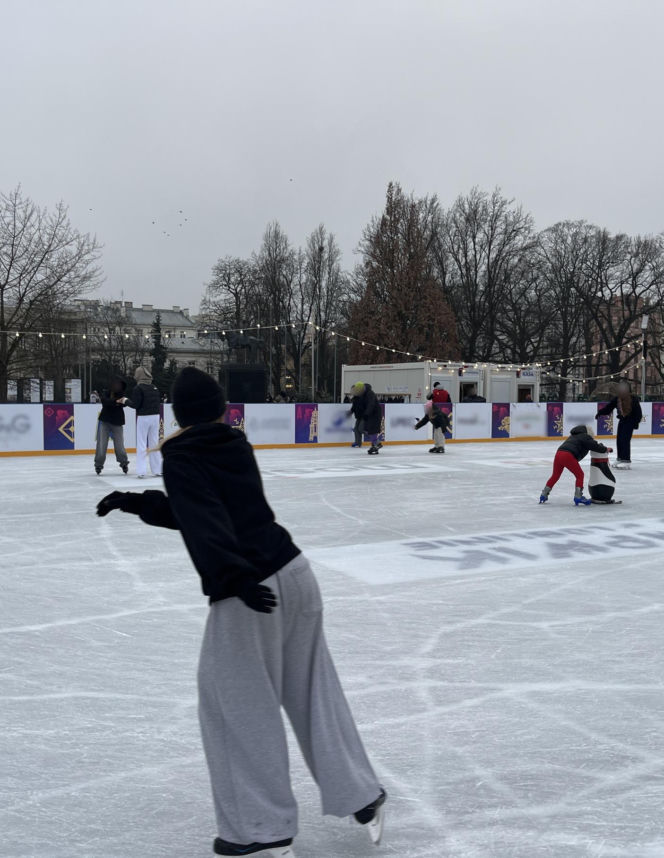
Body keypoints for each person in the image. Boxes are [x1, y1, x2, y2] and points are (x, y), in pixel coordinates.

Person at [96, 367, 386, 858]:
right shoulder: (234, 444)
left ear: (177, 415)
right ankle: (362, 795)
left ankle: (260, 831)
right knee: (313, 691)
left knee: (235, 707)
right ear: (221, 408)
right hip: (294, 574)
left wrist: (233, 580)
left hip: (249, 589)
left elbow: (206, 522)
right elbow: (205, 507)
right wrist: (139, 503)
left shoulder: (181, 454)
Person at [540, 424, 612, 506]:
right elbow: (594, 446)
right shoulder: (585, 436)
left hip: (559, 454)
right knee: (580, 475)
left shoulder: (573, 436)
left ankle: (544, 494)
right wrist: (605, 449)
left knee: (555, 475)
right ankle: (578, 497)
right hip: (568, 455)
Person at [124, 367, 162, 478]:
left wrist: (125, 401)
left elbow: (135, 405)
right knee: (154, 443)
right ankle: (157, 469)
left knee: (141, 444)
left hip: (144, 417)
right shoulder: (154, 387)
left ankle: (141, 471)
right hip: (155, 417)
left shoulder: (138, 388)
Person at [595, 380, 643, 468]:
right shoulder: (617, 399)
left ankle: (626, 460)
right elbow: (609, 408)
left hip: (630, 421)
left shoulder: (633, 399)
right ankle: (620, 458)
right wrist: (600, 413)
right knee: (619, 440)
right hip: (622, 421)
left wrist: (635, 423)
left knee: (625, 440)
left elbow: (638, 413)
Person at [94, 376, 130, 475]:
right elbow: (105, 402)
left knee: (120, 446)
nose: (116, 386)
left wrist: (117, 402)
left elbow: (124, 403)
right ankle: (98, 464)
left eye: (118, 385)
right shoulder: (106, 392)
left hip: (117, 422)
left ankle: (124, 463)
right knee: (102, 445)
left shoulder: (122, 394)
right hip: (105, 421)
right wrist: (116, 402)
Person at [352, 382, 383, 454]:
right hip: (370, 414)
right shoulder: (363, 394)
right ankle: (376, 444)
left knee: (371, 429)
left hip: (375, 414)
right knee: (368, 429)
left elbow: (371, 404)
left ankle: (376, 444)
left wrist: (366, 414)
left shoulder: (370, 394)